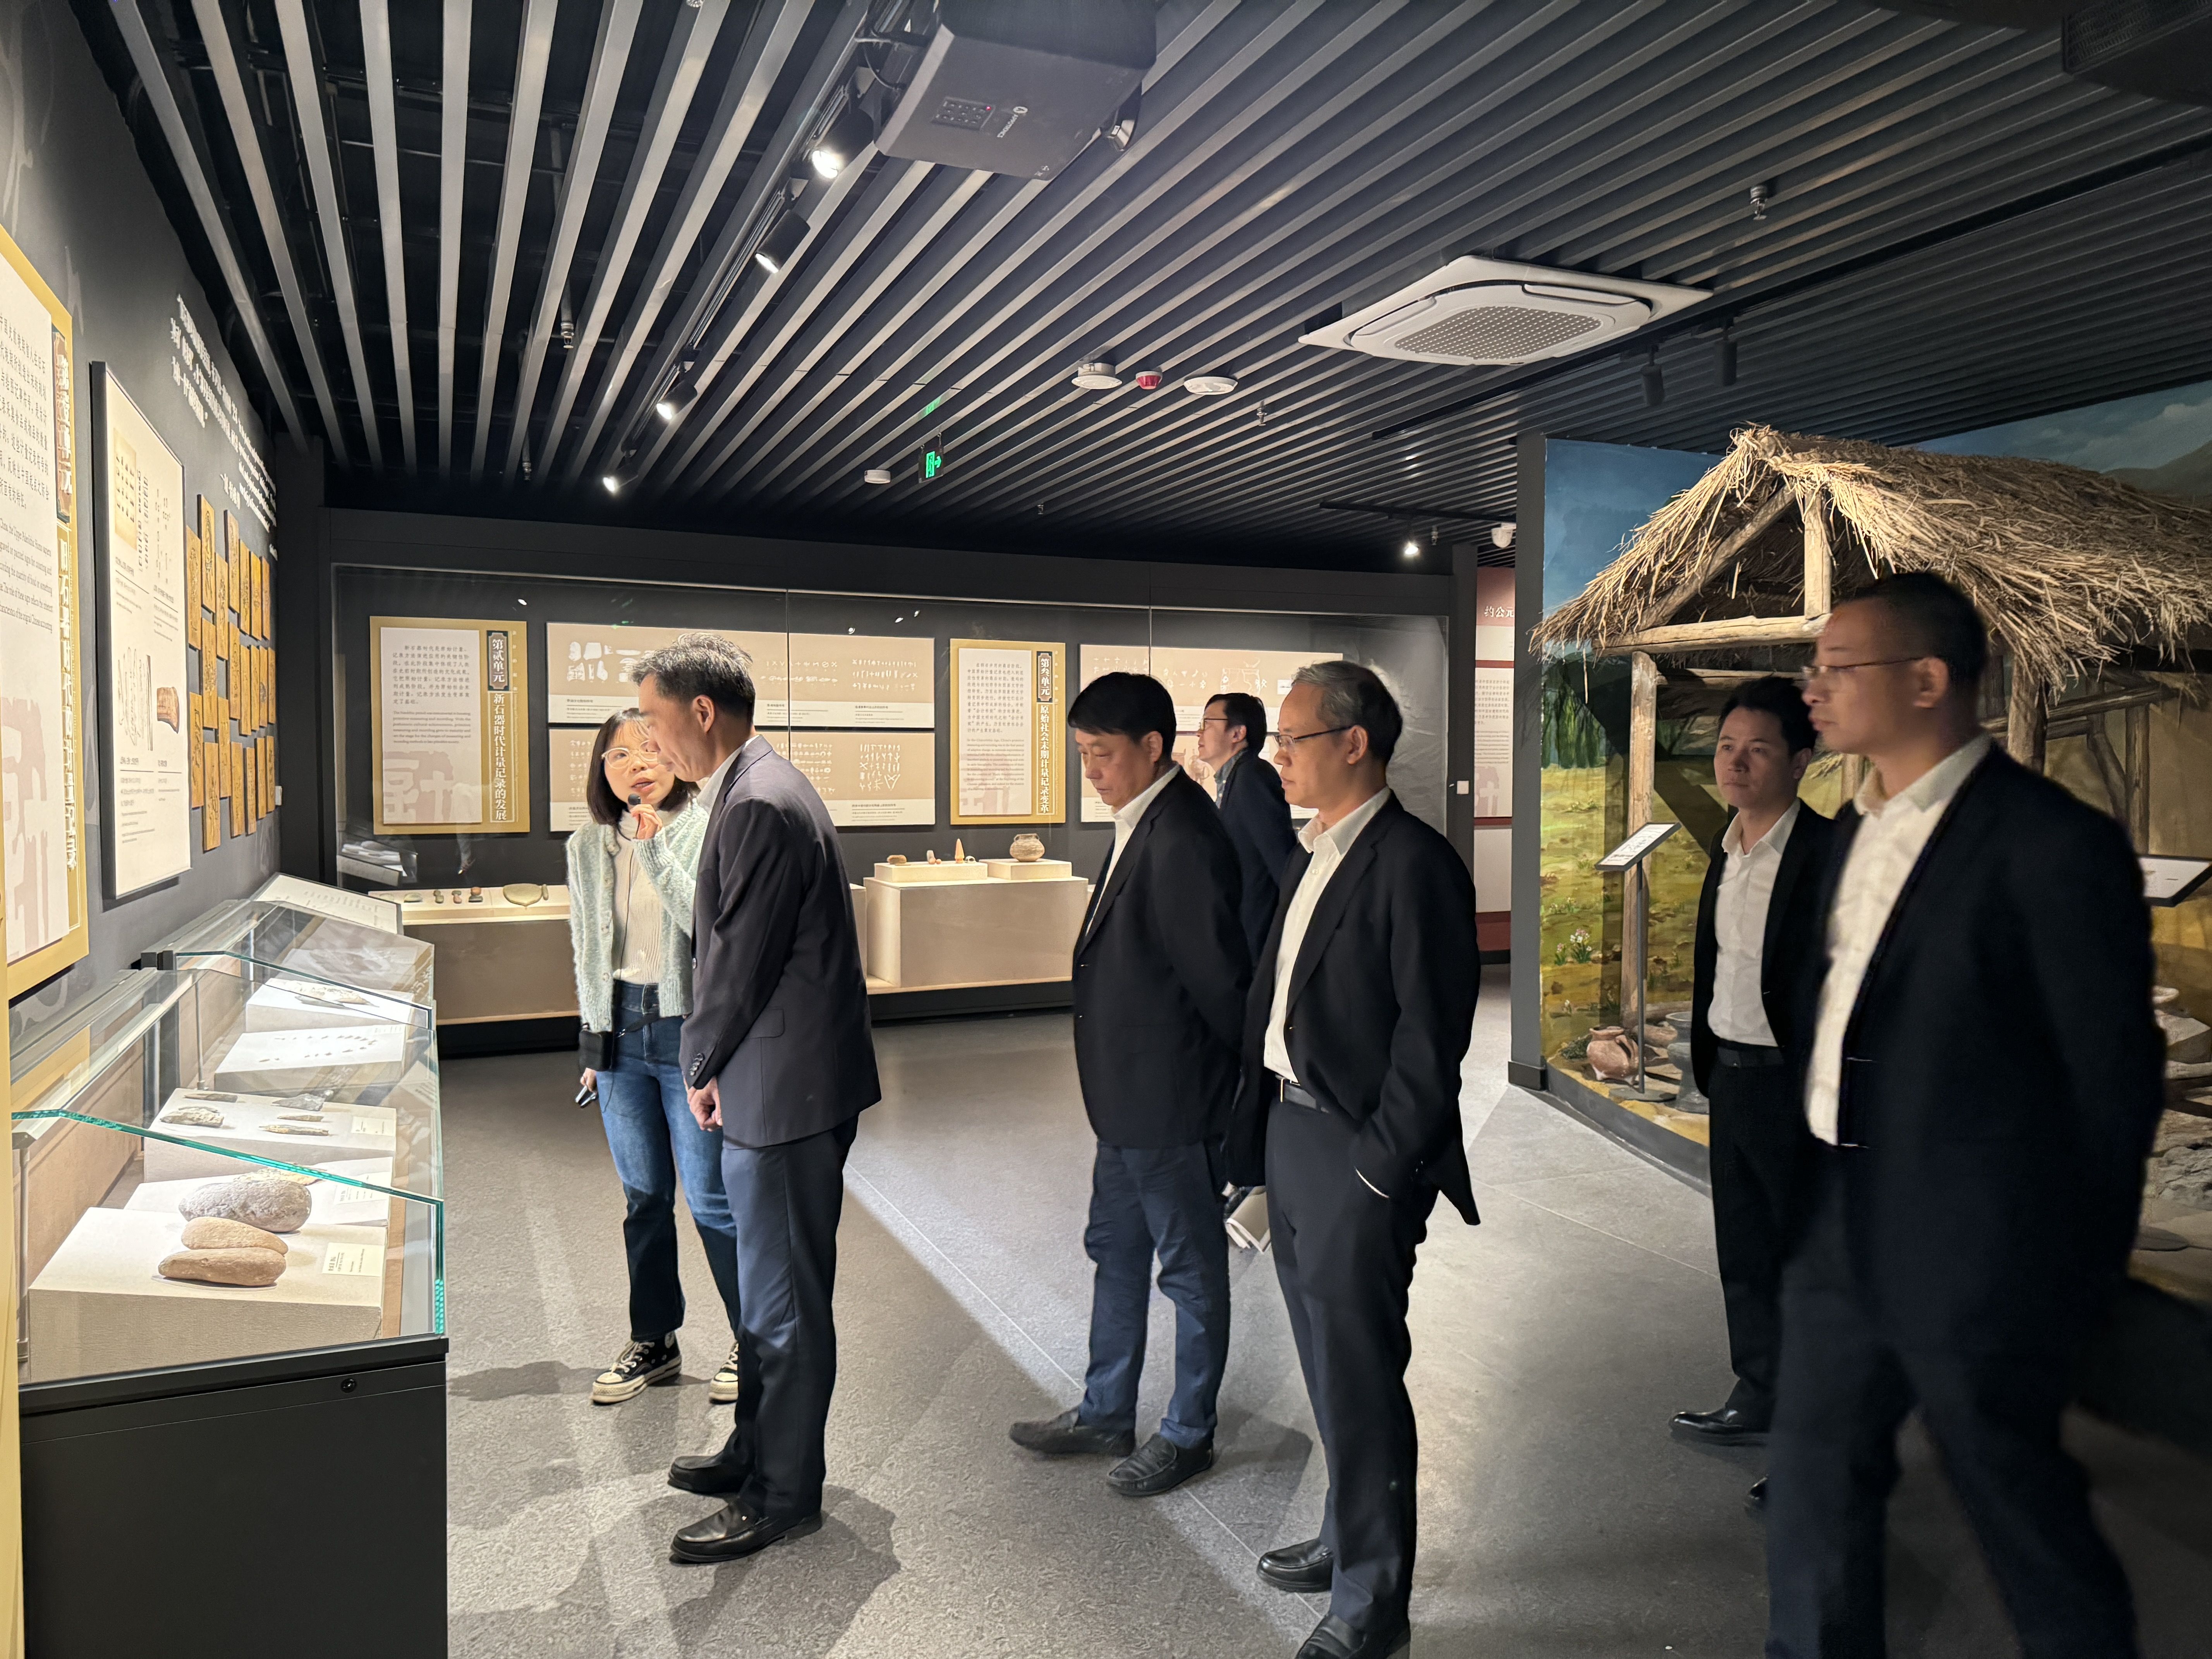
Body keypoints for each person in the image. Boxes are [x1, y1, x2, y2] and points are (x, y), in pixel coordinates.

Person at [1770, 573, 2162, 1657]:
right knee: (1813, 1485)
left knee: (2015, 1500)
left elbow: (2111, 1081)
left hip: (1976, 1246)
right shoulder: (1852, 832)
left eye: (1838, 668)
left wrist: (2074, 1275)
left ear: (1928, 680)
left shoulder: (2051, 844)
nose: (1814, 689)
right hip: (1839, 1218)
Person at [1224, 661, 1479, 1659]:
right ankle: (1344, 1534)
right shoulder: (1317, 851)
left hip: (1354, 1150)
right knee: (1328, 1362)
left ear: (1354, 743)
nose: (1277, 757)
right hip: (1293, 1136)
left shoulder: (1414, 864)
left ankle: (1373, 1599)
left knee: (1363, 1372)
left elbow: (1431, 1038)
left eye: (1292, 740)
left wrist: (1379, 1169)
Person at [630, 634, 881, 1566]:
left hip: (785, 1094)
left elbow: (738, 961)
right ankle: (753, 1452)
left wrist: (700, 1064)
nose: (649, 742)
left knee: (783, 1307)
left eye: (654, 720)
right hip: (779, 1081)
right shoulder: (753, 788)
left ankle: (783, 1494)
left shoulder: (760, 803)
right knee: (771, 1297)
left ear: (702, 711)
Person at [1009, 672, 1249, 1497]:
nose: (1092, 772)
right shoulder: (1143, 819)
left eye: (1103, 754)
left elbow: (1221, 986)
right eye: (1082, 755)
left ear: (1153, 746)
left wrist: (1228, 1104)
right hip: (1126, 1103)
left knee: (1189, 1269)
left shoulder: (1183, 835)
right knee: (1114, 1250)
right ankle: (1106, 1408)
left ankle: (1188, 1431)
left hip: (1171, 1103)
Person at [1672, 678, 1834, 1456]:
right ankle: (1758, 1389)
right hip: (1731, 1075)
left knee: (1806, 1257)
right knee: (1743, 1246)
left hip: (1794, 1082)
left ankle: (1815, 1429)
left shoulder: (1826, 855)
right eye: (1726, 746)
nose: (1734, 763)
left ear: (1800, 760)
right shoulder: (1725, 845)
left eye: (1757, 749)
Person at [566, 710, 743, 1408]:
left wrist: (652, 848)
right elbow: (586, 945)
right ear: (601, 771)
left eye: (649, 748)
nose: (636, 763)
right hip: (618, 1032)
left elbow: (706, 923)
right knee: (643, 1198)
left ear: (675, 755)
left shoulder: (707, 829)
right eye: (618, 755)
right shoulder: (587, 844)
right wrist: (593, 1040)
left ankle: (753, 1340)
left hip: (684, 1031)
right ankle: (655, 1340)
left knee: (712, 1198)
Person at [1202, 690, 1298, 960]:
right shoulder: (1236, 778)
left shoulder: (1252, 776)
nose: (1200, 733)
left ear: (1237, 733)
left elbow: (1282, 861)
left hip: (1256, 941)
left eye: (1208, 723)